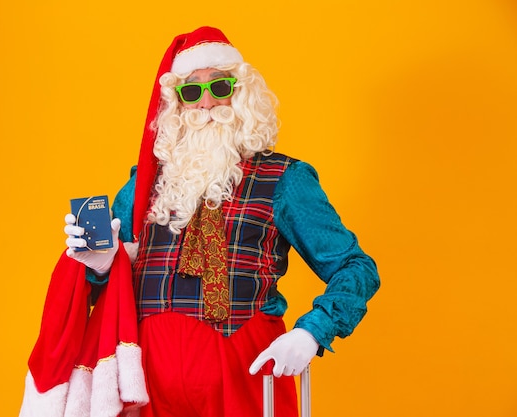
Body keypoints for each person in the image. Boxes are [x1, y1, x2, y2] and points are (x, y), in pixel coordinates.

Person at [21, 26, 380, 417]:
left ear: (241, 93)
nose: (206, 102)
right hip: (148, 387)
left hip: (245, 375)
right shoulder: (143, 184)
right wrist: (98, 267)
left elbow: (355, 267)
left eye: (220, 87)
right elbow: (100, 276)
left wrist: (311, 331)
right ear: (177, 105)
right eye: (191, 91)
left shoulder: (285, 179)